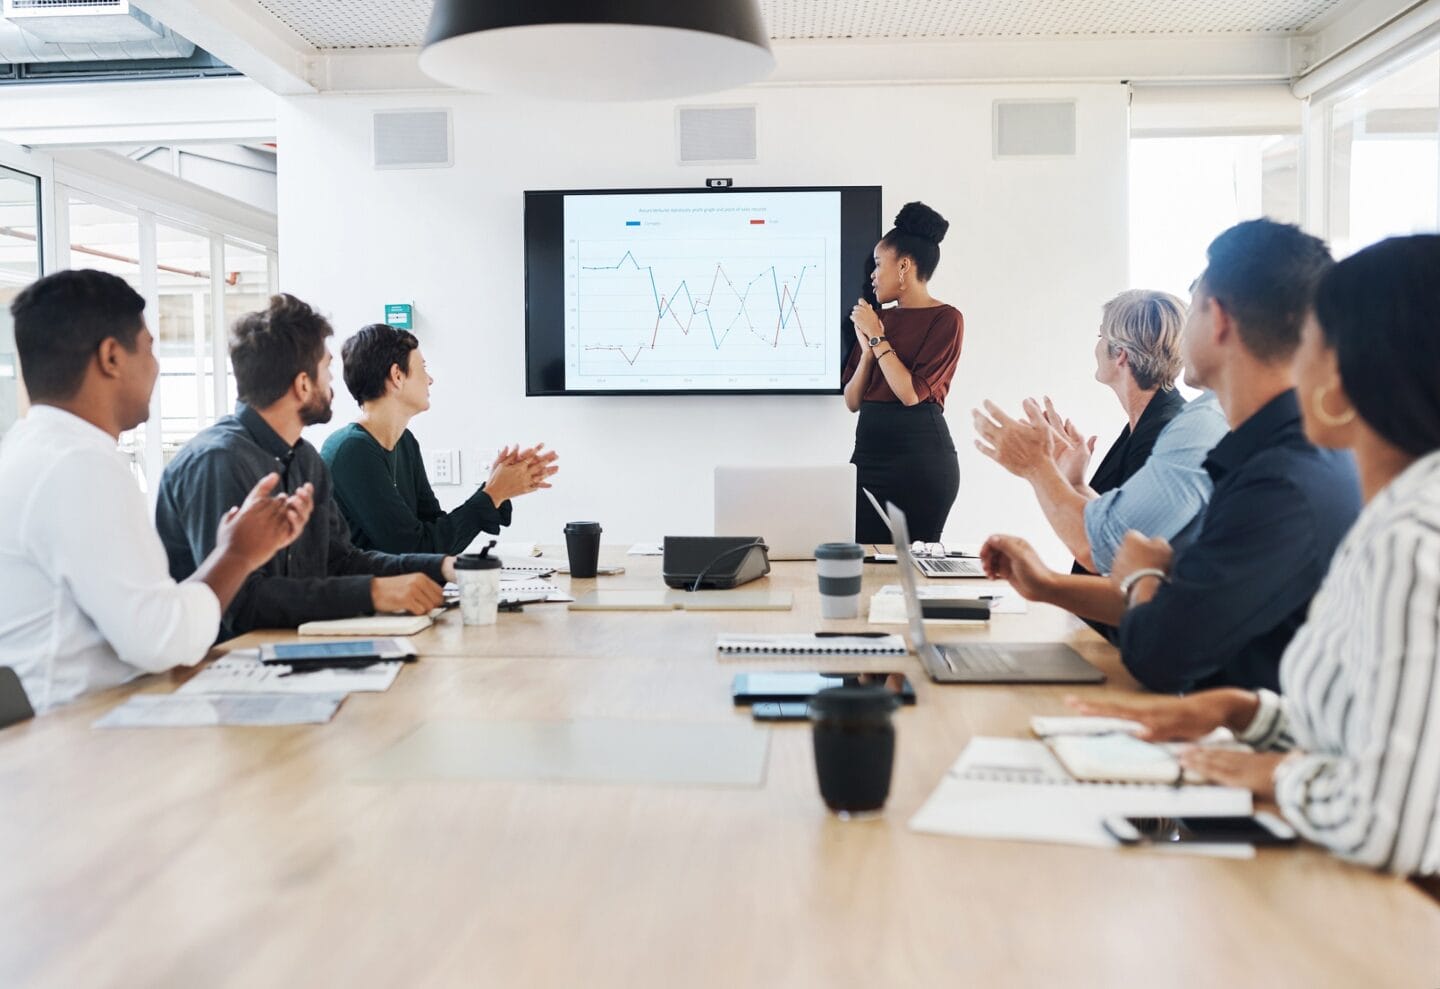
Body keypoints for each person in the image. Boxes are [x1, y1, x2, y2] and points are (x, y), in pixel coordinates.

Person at [1072, 235, 1440, 877]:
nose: (1295, 362)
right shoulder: (1388, 514)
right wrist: (1250, 715)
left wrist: (1272, 770)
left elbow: (1386, 820)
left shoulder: (1408, 539)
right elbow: (1380, 727)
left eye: (1313, 340)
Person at [980, 219, 1361, 694]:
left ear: (1218, 319)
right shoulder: (1278, 452)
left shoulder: (1278, 476)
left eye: (1192, 311)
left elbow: (1162, 649)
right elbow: (1191, 603)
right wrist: (1045, 585)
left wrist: (1140, 571)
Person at [0, 270, 312, 711]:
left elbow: (152, 619)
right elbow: (161, 640)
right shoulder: (80, 465)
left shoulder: (31, 450)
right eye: (149, 347)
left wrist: (230, 552)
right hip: (75, 745)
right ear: (111, 357)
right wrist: (239, 556)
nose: (156, 366)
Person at [156, 294, 458, 640]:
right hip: (219, 666)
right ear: (303, 385)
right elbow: (239, 606)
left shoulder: (304, 459)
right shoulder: (216, 462)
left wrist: (439, 566)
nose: (333, 382)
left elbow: (341, 562)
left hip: (289, 650)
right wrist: (373, 593)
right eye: (326, 369)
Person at [973, 289, 1227, 578]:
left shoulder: (1167, 433)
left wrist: (1037, 465)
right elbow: (1115, 525)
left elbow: (1111, 554)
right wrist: (1072, 481)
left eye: (1100, 337)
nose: (1096, 347)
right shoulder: (1146, 422)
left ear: (1120, 354)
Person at [322, 324, 559, 554]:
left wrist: (496, 489)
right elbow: (415, 548)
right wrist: (493, 494)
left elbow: (434, 532)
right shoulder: (352, 451)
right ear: (397, 376)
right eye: (423, 368)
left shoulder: (404, 441)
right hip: (361, 592)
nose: (430, 380)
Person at [843, 201, 963, 544]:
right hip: (867, 456)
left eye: (879, 264)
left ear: (904, 266)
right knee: (864, 559)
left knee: (917, 566)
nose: (873, 274)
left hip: (921, 462)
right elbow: (852, 401)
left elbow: (910, 393)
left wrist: (878, 337)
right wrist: (867, 354)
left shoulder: (947, 319)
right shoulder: (878, 319)